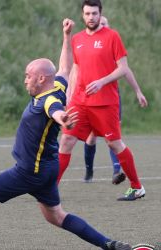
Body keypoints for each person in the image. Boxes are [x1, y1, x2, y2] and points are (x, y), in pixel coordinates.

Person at [0, 19, 131, 250]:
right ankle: (108, 244)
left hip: (28, 172)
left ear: (41, 78)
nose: (25, 80)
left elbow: (55, 111)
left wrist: (63, 118)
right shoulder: (58, 86)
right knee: (56, 216)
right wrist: (67, 35)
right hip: (46, 167)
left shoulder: (48, 99)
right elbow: (65, 67)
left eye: (28, 76)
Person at [57, 0, 145, 201]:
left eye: (94, 13)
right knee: (66, 140)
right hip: (80, 101)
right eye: (87, 14)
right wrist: (69, 95)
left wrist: (101, 82)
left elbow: (123, 68)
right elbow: (75, 69)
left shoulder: (112, 36)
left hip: (105, 103)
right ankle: (51, 189)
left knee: (114, 143)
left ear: (100, 14)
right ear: (82, 15)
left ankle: (137, 187)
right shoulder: (77, 39)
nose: (91, 17)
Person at [81, 16, 148, 184]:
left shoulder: (112, 45)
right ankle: (89, 170)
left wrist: (138, 92)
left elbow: (126, 70)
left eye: (104, 24)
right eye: (100, 23)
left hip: (110, 99)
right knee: (91, 138)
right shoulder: (87, 46)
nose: (100, 25)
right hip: (91, 98)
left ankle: (117, 171)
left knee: (113, 138)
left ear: (108, 27)